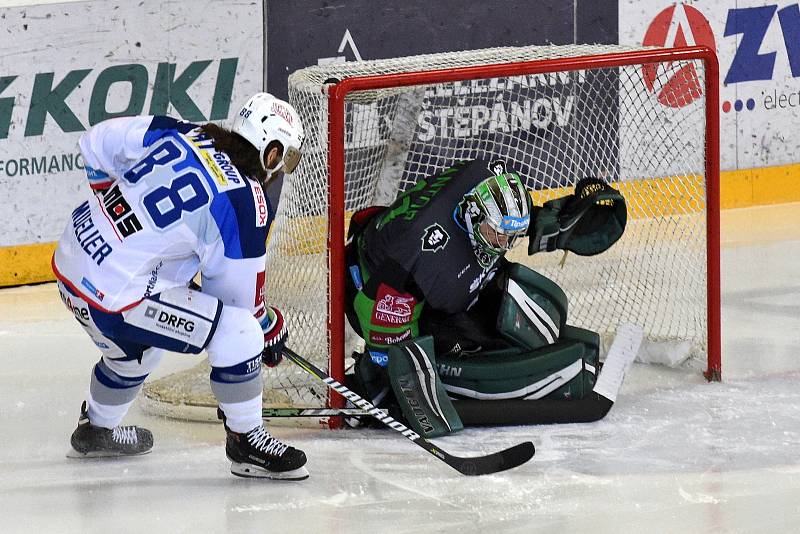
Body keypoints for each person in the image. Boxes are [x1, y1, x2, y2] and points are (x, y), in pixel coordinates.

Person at [52, 92, 309, 480]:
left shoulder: (183, 132)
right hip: (115, 297)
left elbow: (96, 141)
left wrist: (122, 234)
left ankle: (97, 430)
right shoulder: (245, 200)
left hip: (71, 261)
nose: (280, 172)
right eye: (285, 159)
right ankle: (246, 442)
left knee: (140, 349)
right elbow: (238, 308)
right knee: (239, 332)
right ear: (271, 153)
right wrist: (267, 324)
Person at [343, 159, 628, 437]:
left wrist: (551, 223)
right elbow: (376, 307)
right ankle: (365, 384)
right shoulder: (421, 254)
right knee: (473, 345)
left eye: (510, 237)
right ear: (474, 215)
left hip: (423, 276)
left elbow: (507, 218)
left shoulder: (488, 188)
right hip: (374, 292)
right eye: (499, 236)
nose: (504, 245)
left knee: (524, 301)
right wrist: (385, 378)